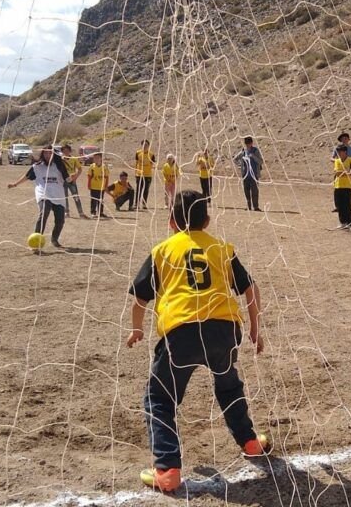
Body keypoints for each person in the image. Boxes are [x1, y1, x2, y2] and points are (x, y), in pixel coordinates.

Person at [126, 189, 269, 493]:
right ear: (207, 220)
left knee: (159, 398)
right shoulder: (221, 248)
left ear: (171, 222)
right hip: (225, 329)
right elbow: (250, 288)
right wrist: (255, 327)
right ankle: (251, 443)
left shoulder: (162, 250)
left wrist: (136, 328)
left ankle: (167, 469)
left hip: (181, 332)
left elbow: (140, 298)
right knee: (228, 385)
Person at [7, 145, 69, 249]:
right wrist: (15, 184)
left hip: (58, 195)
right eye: (46, 153)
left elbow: (67, 179)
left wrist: (73, 177)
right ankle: (36, 239)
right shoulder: (37, 166)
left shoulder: (59, 165)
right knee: (44, 212)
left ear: (54, 154)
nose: (48, 155)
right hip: (43, 194)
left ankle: (54, 239)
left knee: (60, 220)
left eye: (50, 153)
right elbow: (27, 176)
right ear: (42, 154)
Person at [233, 136, 263, 211]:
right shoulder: (243, 151)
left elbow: (260, 161)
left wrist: (253, 156)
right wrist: (241, 165)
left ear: (251, 143)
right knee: (246, 191)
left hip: (254, 175)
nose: (247, 145)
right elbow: (235, 159)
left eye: (248, 144)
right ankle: (248, 206)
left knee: (255, 191)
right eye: (246, 144)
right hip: (245, 175)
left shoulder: (255, 151)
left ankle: (255, 207)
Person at [331, 144, 351, 230]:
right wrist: (345, 172)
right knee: (340, 205)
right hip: (338, 185)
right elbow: (337, 173)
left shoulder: (350, 159)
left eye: (340, 151)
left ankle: (350, 224)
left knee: (347, 205)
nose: (339, 153)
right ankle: (342, 222)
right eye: (338, 152)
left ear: (345, 152)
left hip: (347, 185)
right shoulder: (337, 161)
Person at [60, 144, 88, 219]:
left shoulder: (74, 159)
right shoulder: (60, 159)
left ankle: (81, 213)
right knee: (64, 197)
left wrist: (75, 177)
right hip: (62, 181)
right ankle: (66, 212)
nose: (66, 152)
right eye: (64, 151)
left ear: (70, 151)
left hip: (72, 181)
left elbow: (80, 169)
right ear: (62, 151)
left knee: (76, 197)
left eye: (67, 150)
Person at [86, 151, 110, 217]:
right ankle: (93, 212)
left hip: (101, 186)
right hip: (93, 186)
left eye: (98, 157)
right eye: (95, 158)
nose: (96, 159)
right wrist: (88, 184)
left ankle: (100, 212)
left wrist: (106, 185)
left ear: (101, 158)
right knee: (93, 200)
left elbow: (107, 177)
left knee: (101, 200)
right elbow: (89, 176)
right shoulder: (92, 166)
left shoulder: (104, 167)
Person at [133, 140, 155, 210]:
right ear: (141, 145)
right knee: (138, 189)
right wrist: (136, 172)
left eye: (146, 145)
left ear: (148, 146)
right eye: (143, 145)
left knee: (146, 190)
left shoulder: (151, 154)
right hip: (139, 174)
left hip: (148, 175)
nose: (145, 146)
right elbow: (136, 163)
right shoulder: (138, 153)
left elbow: (153, 164)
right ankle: (136, 204)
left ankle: (144, 204)